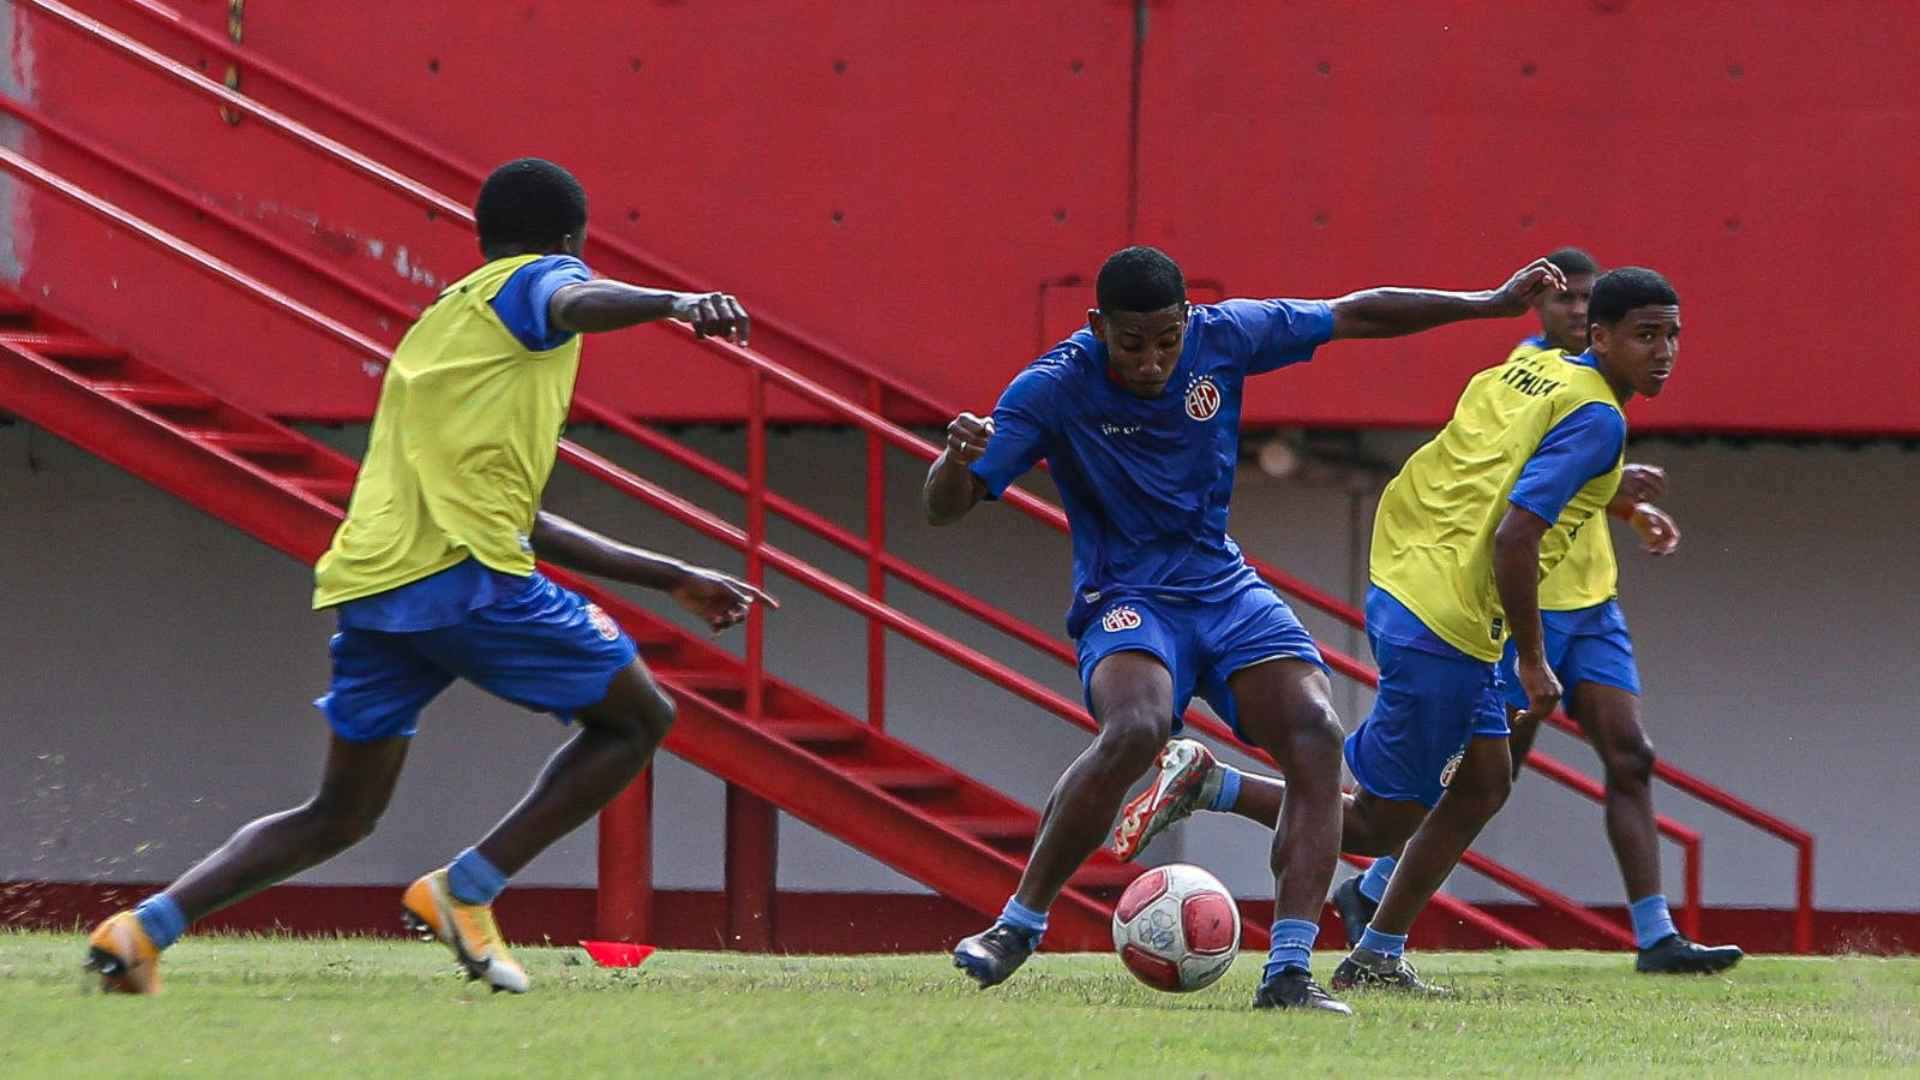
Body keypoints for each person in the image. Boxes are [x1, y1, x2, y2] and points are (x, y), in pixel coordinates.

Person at [84, 157, 773, 995]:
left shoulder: (445, 324)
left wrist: (667, 574)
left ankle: (142, 930)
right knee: (637, 719)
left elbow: (523, 513)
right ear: (570, 243)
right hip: (466, 576)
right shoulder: (538, 284)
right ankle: (467, 889)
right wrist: (672, 302)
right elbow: (571, 299)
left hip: (377, 584)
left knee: (341, 813)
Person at [923, 245, 1565, 1013]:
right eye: (1132, 344)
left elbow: (1356, 311)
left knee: (1316, 730)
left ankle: (1289, 971)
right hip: (1126, 597)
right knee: (1137, 726)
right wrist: (954, 462)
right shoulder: (1051, 389)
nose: (1154, 361)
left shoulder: (1224, 336)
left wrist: (1487, 304)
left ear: (1186, 320)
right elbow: (945, 505)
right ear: (1097, 327)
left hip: (1222, 588)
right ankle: (1017, 926)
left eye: (1167, 340)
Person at [1121, 251, 1738, 976]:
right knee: (1374, 824)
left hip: (1415, 571)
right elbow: (1515, 536)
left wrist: (1613, 499)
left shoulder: (1530, 372)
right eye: (1645, 336)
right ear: (1599, 339)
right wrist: (1535, 662)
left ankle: (1379, 952)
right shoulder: (1598, 418)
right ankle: (1212, 783)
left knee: (1484, 782)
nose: (1662, 353)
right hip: (1447, 616)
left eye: (1672, 336)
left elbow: (1487, 462)